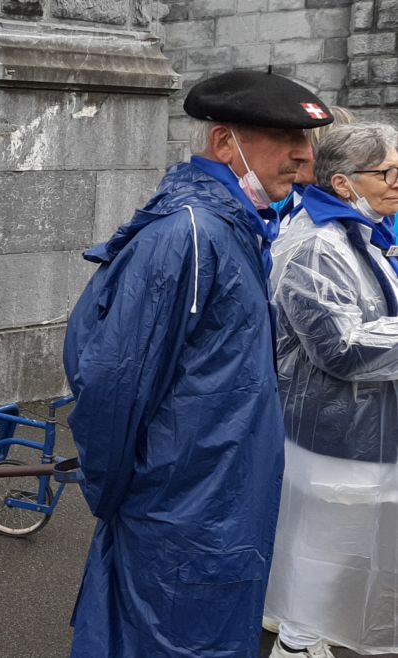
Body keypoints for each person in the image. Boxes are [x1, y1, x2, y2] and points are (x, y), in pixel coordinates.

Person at [62, 70, 333, 657]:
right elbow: (113, 382)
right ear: (224, 143)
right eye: (287, 139)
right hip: (182, 504)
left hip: (214, 496)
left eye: (307, 143)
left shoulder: (234, 225)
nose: (305, 160)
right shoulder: (187, 234)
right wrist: (113, 495)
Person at [261, 123, 398, 658]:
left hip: (362, 428)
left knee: (340, 544)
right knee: (327, 547)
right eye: (388, 172)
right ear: (344, 184)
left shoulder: (360, 233)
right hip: (335, 433)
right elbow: (342, 348)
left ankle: (299, 631)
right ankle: (296, 644)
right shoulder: (317, 245)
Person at [276, 105, 357, 230]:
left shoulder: (368, 209)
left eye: (307, 148)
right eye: (292, 145)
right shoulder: (282, 197)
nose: (295, 156)